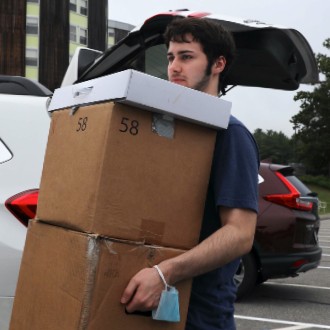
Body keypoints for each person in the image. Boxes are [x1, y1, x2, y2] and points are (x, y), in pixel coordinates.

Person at [120, 17, 259, 330]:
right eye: (170, 57)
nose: (174, 67)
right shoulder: (168, 130)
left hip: (201, 318)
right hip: (145, 308)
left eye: (187, 56)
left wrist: (164, 273)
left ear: (218, 64)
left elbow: (240, 234)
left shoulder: (231, 134)